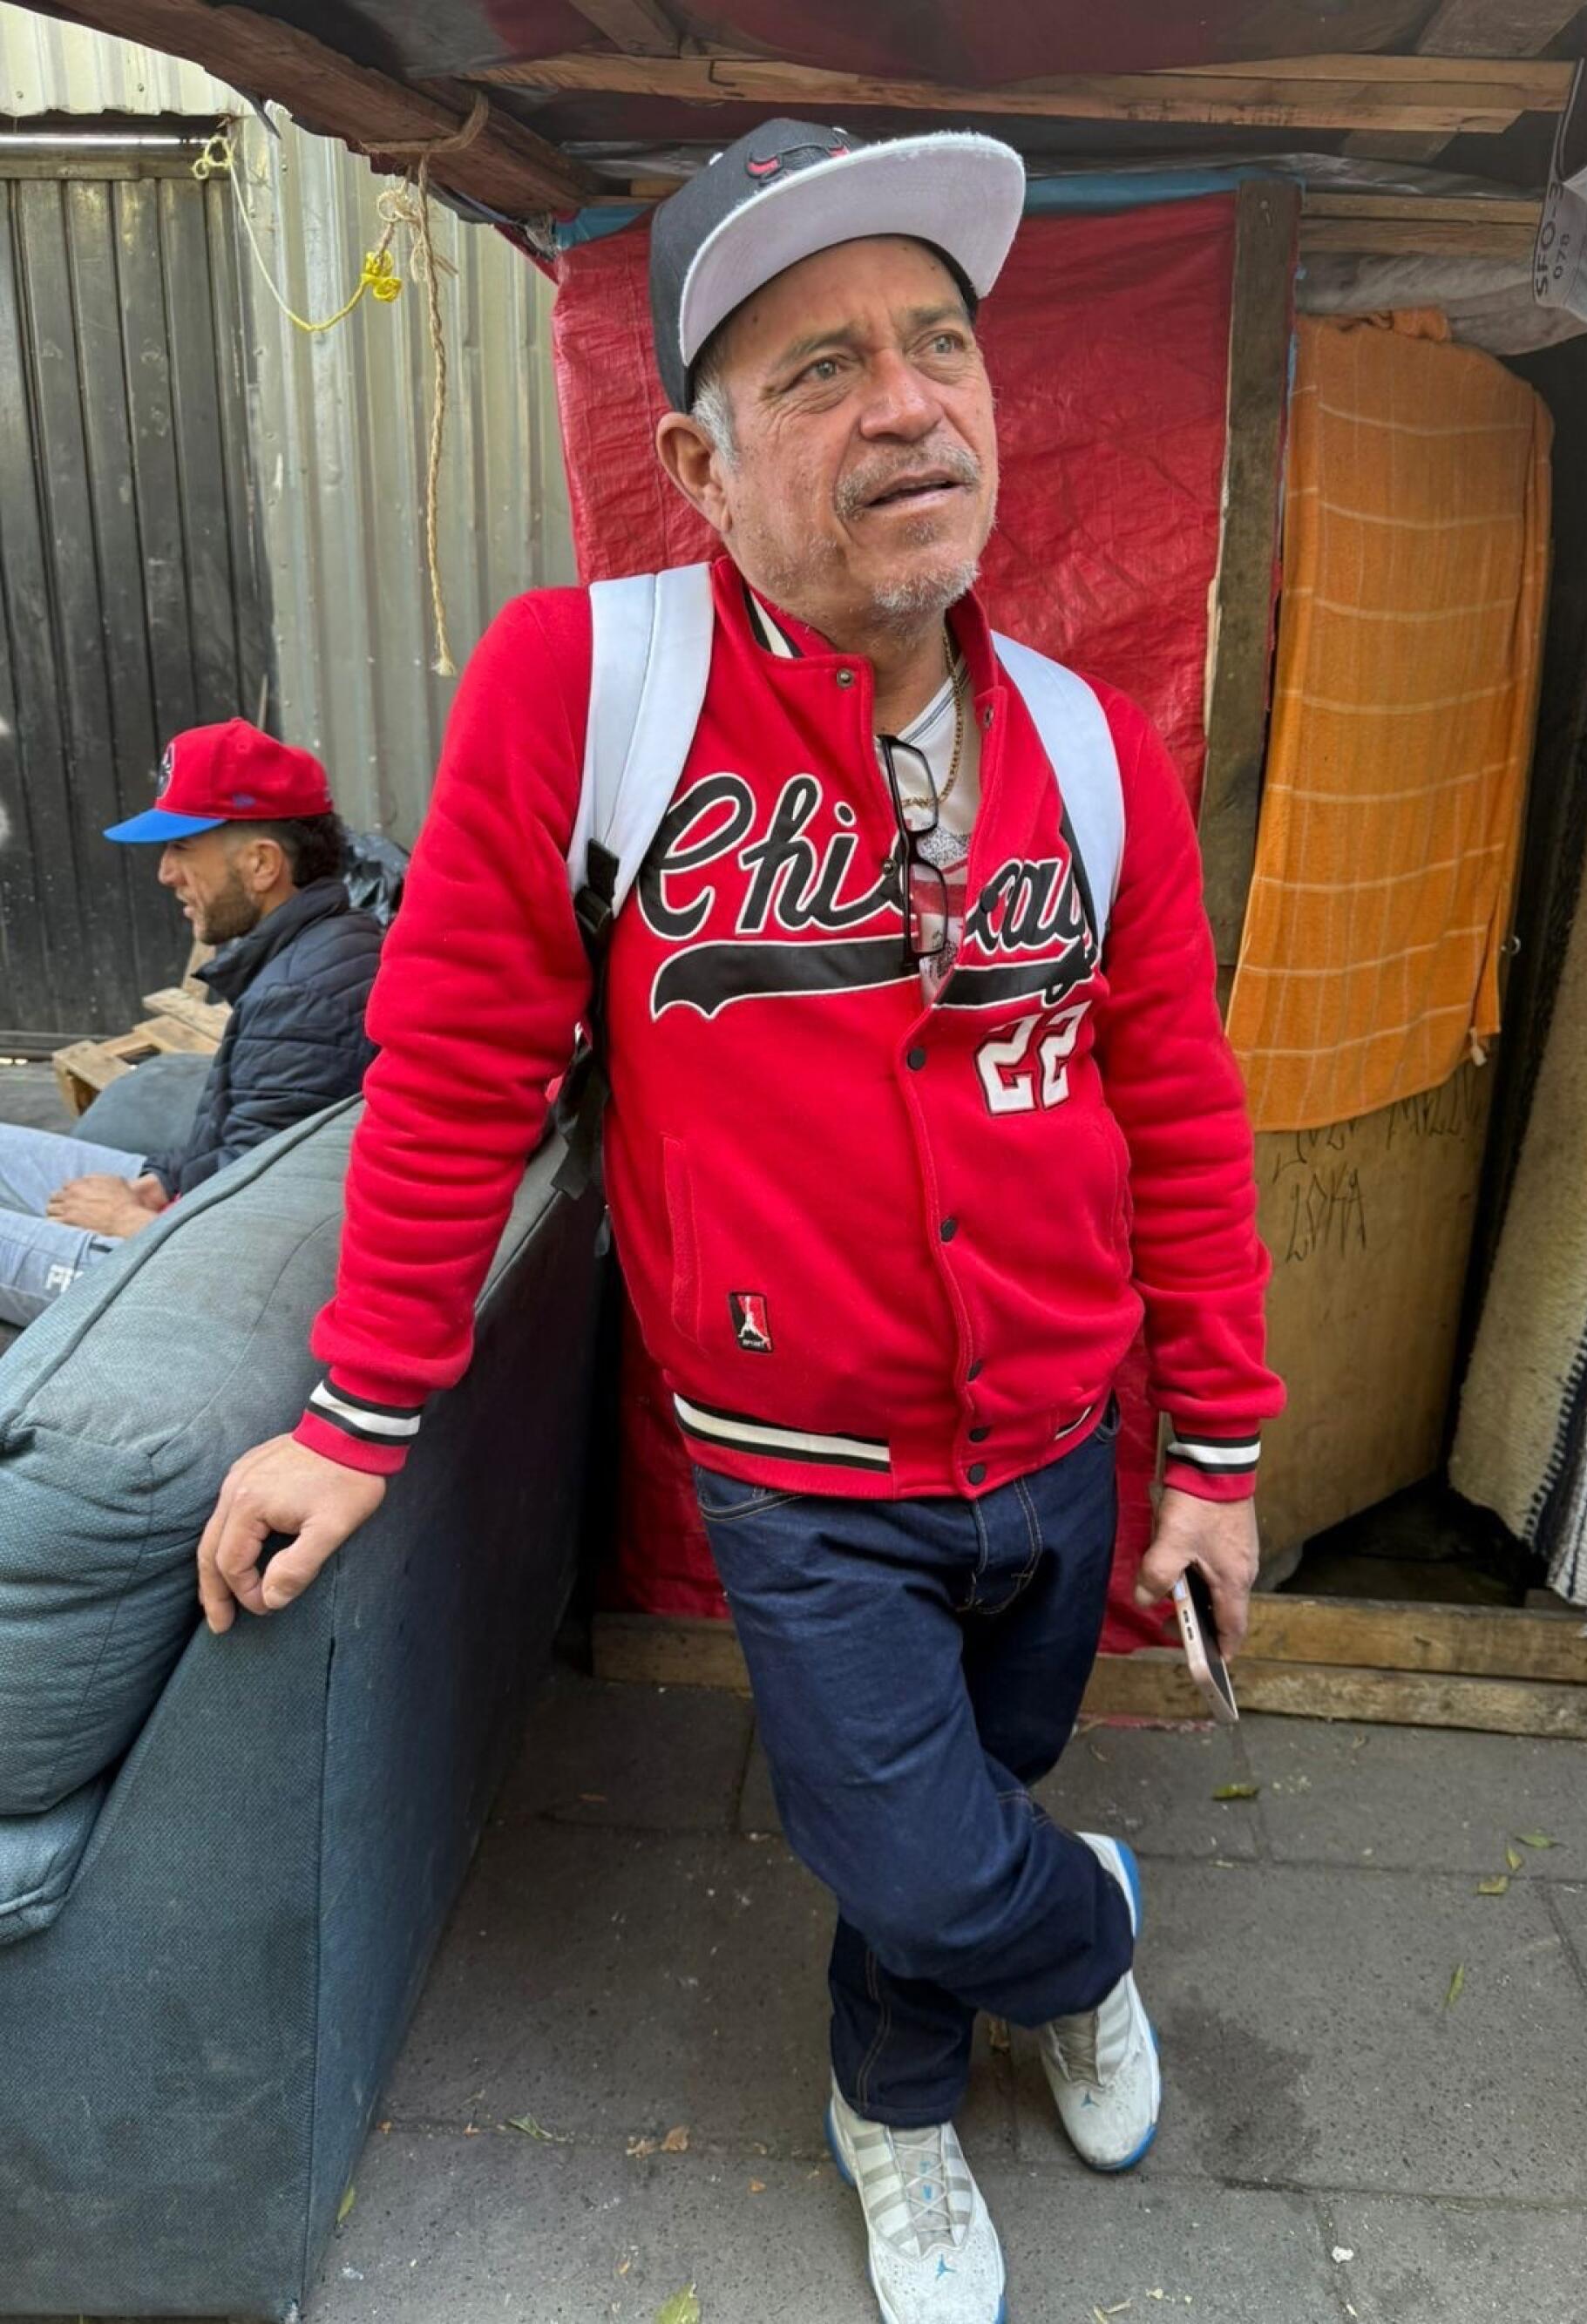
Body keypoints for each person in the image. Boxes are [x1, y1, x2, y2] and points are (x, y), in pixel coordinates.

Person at [197, 122, 1284, 2323]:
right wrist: (355, 1410)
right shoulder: (583, 694)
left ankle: (896, 2080)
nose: (905, 399)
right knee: (908, 1839)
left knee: (966, 1794)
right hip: (807, 1473)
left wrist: (1215, 1458)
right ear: (695, 468)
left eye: (937, 344)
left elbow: (1172, 1104)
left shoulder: (1086, 754)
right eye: (814, 370)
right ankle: (1067, 1948)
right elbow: (454, 1072)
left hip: (1063, 1443)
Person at [0, 722, 381, 1330]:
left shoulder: (303, 998)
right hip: (182, 1218)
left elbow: (257, 1240)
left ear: (261, 864)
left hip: (180, 1276)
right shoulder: (319, 948)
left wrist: (130, 1219)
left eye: (181, 846)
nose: (165, 873)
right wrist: (162, 1178)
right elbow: (242, 1148)